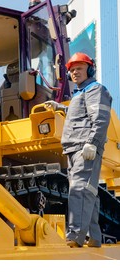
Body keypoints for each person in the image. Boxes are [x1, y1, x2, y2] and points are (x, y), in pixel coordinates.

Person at [44, 52, 112, 248]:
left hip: (84, 146)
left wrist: (92, 142)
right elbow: (80, 115)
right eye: (72, 70)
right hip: (75, 148)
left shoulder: (94, 89)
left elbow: (99, 118)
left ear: (90, 69)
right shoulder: (80, 93)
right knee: (88, 192)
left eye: (79, 68)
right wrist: (60, 108)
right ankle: (93, 237)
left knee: (79, 190)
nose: (74, 72)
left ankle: (75, 235)